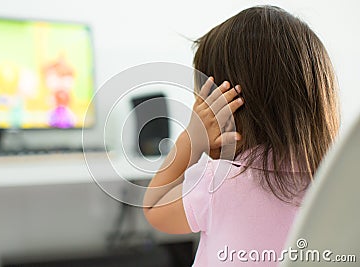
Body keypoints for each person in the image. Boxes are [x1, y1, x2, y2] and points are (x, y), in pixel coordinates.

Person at [143, 5, 339, 266]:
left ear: (226, 112)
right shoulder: (334, 186)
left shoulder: (219, 184)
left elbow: (155, 207)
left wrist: (193, 137)